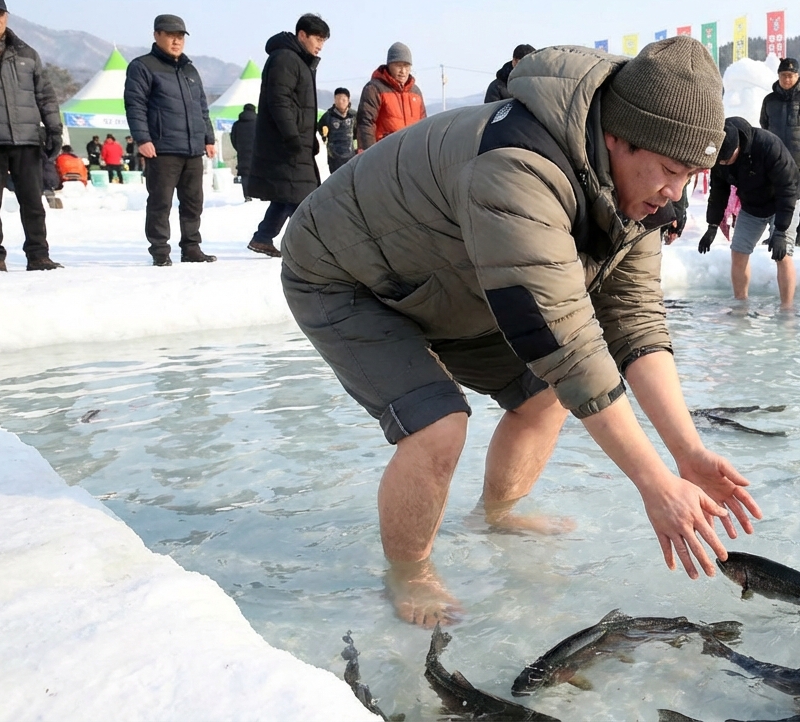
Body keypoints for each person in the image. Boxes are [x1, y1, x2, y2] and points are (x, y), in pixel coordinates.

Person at [279, 37, 759, 628]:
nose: (674, 193)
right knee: (438, 425)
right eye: (667, 171)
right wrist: (653, 483)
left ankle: (496, 513)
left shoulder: (640, 198)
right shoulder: (519, 166)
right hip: (344, 273)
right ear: (618, 136)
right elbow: (570, 345)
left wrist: (688, 454)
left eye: (691, 177)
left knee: (543, 395)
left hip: (452, 280)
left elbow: (634, 322)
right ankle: (408, 572)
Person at [124, 14, 217, 266]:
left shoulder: (190, 69)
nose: (176, 41)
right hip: (162, 148)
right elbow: (135, 105)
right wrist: (142, 138)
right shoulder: (142, 66)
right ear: (157, 35)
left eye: (180, 36)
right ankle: (160, 250)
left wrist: (208, 137)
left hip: (192, 148)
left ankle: (191, 247)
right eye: (170, 35)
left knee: (193, 202)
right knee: (160, 202)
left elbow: (202, 107)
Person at [0, 0, 64, 273]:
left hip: (27, 139)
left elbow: (45, 94)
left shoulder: (27, 53)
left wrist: (54, 129)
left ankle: (38, 255)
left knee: (33, 202)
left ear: (6, 17)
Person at [246, 14, 328, 257]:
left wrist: (308, 136)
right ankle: (311, 246)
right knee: (303, 197)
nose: (320, 44)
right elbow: (279, 100)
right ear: (302, 35)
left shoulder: (299, 60)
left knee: (287, 193)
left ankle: (263, 238)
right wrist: (292, 136)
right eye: (317, 38)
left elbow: (298, 105)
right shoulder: (285, 58)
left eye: (324, 40)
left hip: (295, 141)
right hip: (286, 143)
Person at [697, 117, 800, 308]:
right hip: (752, 204)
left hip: (784, 201)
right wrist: (712, 225)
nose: (724, 164)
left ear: (738, 147)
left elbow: (787, 188)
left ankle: (787, 308)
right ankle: (740, 303)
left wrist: (780, 231)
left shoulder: (767, 145)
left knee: (782, 253)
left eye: (727, 160)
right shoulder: (719, 157)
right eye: (721, 161)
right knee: (738, 251)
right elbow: (718, 192)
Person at [758, 57, 800, 247]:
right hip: (774, 159)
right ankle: (775, 233)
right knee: (774, 195)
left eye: (791, 76)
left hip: (798, 158)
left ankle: (798, 234)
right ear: (778, 76)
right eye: (783, 75)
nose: (787, 79)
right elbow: (764, 124)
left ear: (798, 76)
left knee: (798, 197)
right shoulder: (769, 100)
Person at [357, 42, 426, 150]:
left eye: (407, 66)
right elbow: (366, 124)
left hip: (411, 153)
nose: (403, 71)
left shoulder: (416, 92)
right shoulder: (375, 88)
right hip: (385, 153)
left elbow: (423, 125)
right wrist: (369, 154)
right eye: (399, 66)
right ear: (389, 65)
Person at [318, 87, 357, 173]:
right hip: (334, 155)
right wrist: (324, 134)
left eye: (343, 99)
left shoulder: (354, 116)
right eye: (338, 99)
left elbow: (358, 132)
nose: (340, 102)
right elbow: (320, 127)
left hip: (351, 154)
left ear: (348, 100)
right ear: (334, 100)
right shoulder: (328, 116)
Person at [230, 103, 257, 198]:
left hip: (242, 152)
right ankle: (258, 193)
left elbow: (233, 138)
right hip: (256, 152)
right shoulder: (258, 122)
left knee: (245, 174)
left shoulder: (237, 124)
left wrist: (239, 148)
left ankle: (247, 195)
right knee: (257, 172)